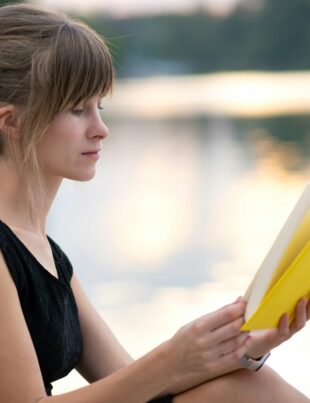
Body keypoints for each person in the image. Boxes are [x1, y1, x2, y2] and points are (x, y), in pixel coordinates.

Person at [0, 3, 309, 403]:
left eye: (101, 107)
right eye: (78, 110)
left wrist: (247, 348)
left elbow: (130, 386)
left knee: (248, 386)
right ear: (11, 122)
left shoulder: (44, 252)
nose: (101, 129)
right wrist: (172, 356)